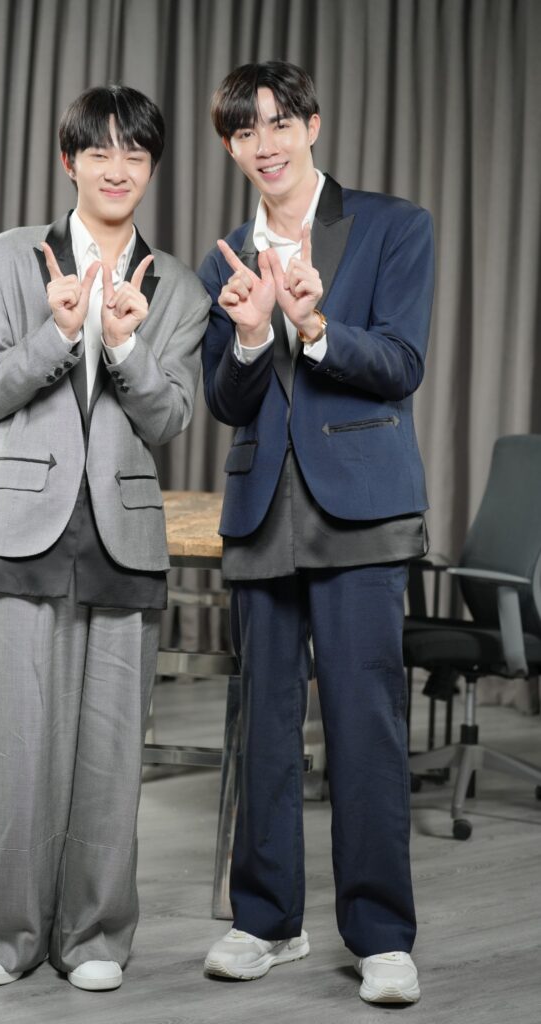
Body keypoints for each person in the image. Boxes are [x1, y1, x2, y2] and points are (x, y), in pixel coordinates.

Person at [0, 85, 210, 991]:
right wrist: (58, 333)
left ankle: (95, 937)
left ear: (151, 167)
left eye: (134, 154)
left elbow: (171, 417)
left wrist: (128, 350)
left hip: (122, 534)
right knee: (17, 752)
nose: (116, 168)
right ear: (69, 161)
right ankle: (7, 935)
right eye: (98, 151)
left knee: (109, 756)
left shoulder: (180, 288)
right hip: (17, 529)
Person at [198, 60, 434, 1004]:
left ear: (312, 126)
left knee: (363, 727)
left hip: (362, 511)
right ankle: (265, 922)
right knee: (262, 728)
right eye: (244, 130)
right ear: (230, 147)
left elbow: (402, 363)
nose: (264, 144)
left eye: (278, 123)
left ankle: (380, 937)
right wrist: (255, 337)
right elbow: (226, 401)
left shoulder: (392, 226)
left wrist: (316, 325)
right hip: (263, 510)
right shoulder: (225, 254)